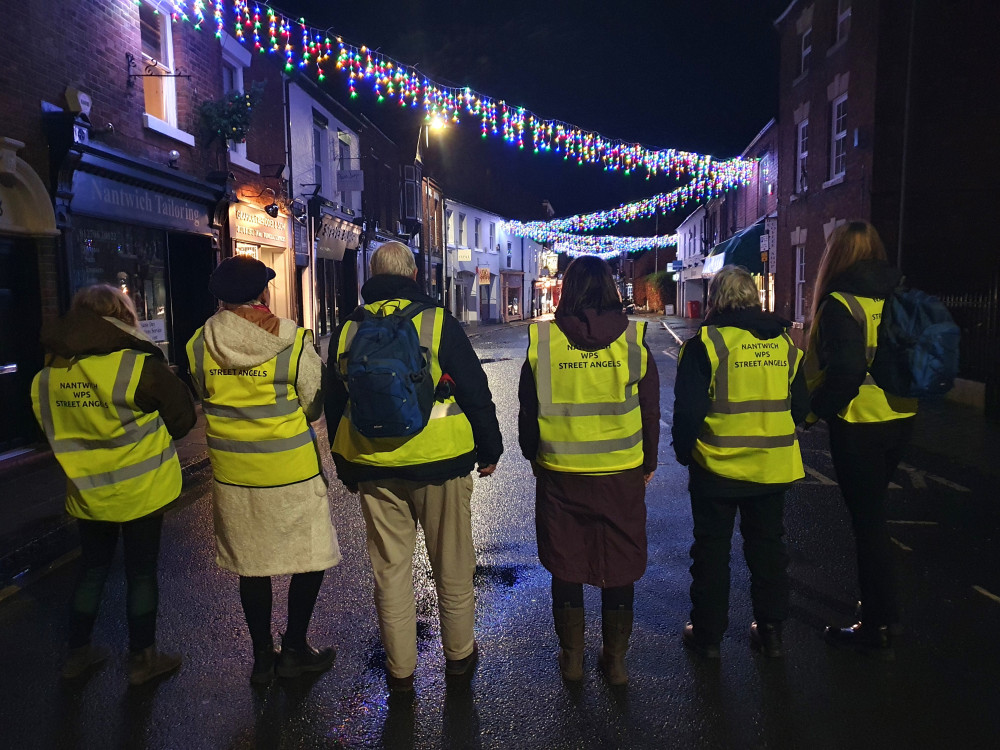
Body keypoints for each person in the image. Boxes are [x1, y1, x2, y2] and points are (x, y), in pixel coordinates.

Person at [326, 241, 503, 695]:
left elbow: (335, 404)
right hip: (441, 464)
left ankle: (401, 671)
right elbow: (475, 390)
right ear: (414, 275)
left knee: (390, 572)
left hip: (373, 465)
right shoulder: (437, 320)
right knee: (452, 566)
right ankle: (459, 659)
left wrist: (344, 463)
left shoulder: (348, 328)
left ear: (373, 275)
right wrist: (490, 447)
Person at [31, 284, 196, 685]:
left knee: (92, 569)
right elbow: (183, 421)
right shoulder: (139, 366)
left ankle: (78, 654)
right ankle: (143, 659)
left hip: (88, 492)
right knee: (141, 574)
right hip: (141, 489)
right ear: (122, 315)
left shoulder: (46, 376)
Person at [186, 255, 340, 684]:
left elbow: (206, 395)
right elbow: (313, 404)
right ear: (262, 293)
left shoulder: (199, 344)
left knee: (251, 566)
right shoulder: (291, 339)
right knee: (309, 559)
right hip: (291, 473)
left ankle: (261, 659)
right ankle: (293, 649)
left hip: (235, 476)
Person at [518, 255, 660, 685]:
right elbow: (649, 411)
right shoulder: (633, 341)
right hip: (620, 474)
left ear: (568, 291)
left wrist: (533, 455)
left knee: (566, 562)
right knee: (618, 562)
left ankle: (573, 658)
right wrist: (647, 464)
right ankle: (615, 661)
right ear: (611, 291)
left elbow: (529, 411)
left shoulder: (544, 343)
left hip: (561, 472)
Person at [672, 265, 808, 659]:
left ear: (716, 299)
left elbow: (688, 413)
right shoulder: (784, 344)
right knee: (768, 550)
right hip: (771, 468)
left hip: (717, 468)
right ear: (752, 297)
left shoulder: (707, 344)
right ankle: (771, 632)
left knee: (712, 553)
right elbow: (800, 406)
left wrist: (684, 453)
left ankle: (708, 636)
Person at [804, 221, 916, 660]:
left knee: (868, 524)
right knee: (875, 517)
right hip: (901, 416)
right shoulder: (900, 293)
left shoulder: (839, 302)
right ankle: (882, 612)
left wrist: (817, 410)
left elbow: (846, 372)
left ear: (837, 255)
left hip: (860, 422)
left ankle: (877, 624)